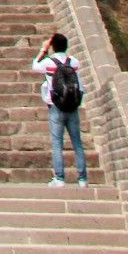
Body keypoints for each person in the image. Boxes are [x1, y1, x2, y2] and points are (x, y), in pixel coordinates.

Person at [33, 32, 87, 187]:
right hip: (72, 107)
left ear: (53, 46)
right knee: (77, 143)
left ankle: (59, 178)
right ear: (66, 45)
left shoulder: (48, 62)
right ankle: (82, 179)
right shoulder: (73, 62)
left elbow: (35, 66)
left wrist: (43, 49)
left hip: (56, 106)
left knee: (57, 143)